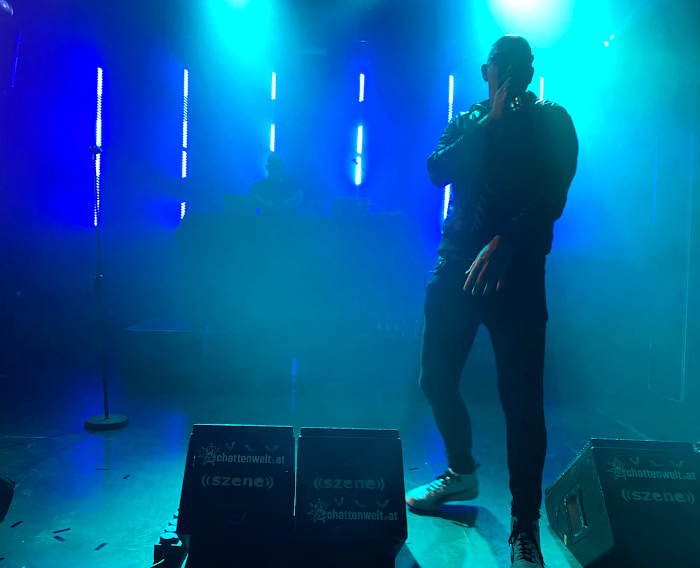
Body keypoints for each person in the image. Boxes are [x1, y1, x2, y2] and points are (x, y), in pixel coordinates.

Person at [405, 35, 578, 568]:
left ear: (530, 69)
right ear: (486, 72)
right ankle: (461, 472)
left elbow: (553, 195)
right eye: (498, 64)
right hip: (456, 264)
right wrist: (489, 123)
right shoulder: (468, 120)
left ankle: (524, 528)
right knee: (435, 379)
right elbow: (437, 170)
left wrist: (508, 241)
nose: (507, 72)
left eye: (517, 63)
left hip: (516, 271)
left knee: (521, 402)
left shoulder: (552, 120)